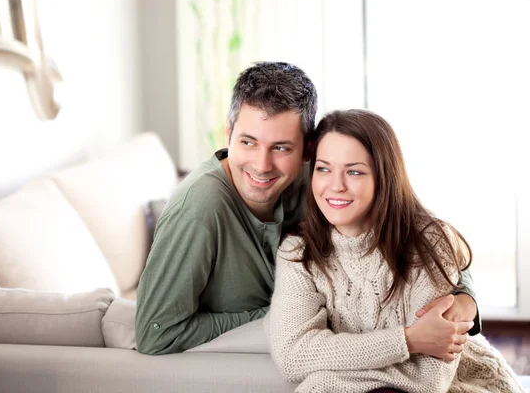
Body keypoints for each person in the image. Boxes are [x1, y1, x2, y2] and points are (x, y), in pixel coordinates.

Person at [135, 62, 479, 356]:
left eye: (281, 147)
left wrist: (466, 299)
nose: (262, 165)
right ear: (229, 133)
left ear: (307, 149)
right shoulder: (200, 209)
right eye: (247, 142)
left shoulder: (319, 180)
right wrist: (279, 316)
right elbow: (156, 333)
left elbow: (417, 230)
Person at [267, 109, 524, 392]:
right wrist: (409, 339)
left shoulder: (428, 242)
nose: (335, 186)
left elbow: (429, 379)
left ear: (384, 178)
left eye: (354, 171)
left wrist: (326, 379)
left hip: (468, 385)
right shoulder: (298, 253)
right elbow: (293, 354)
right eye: (324, 169)